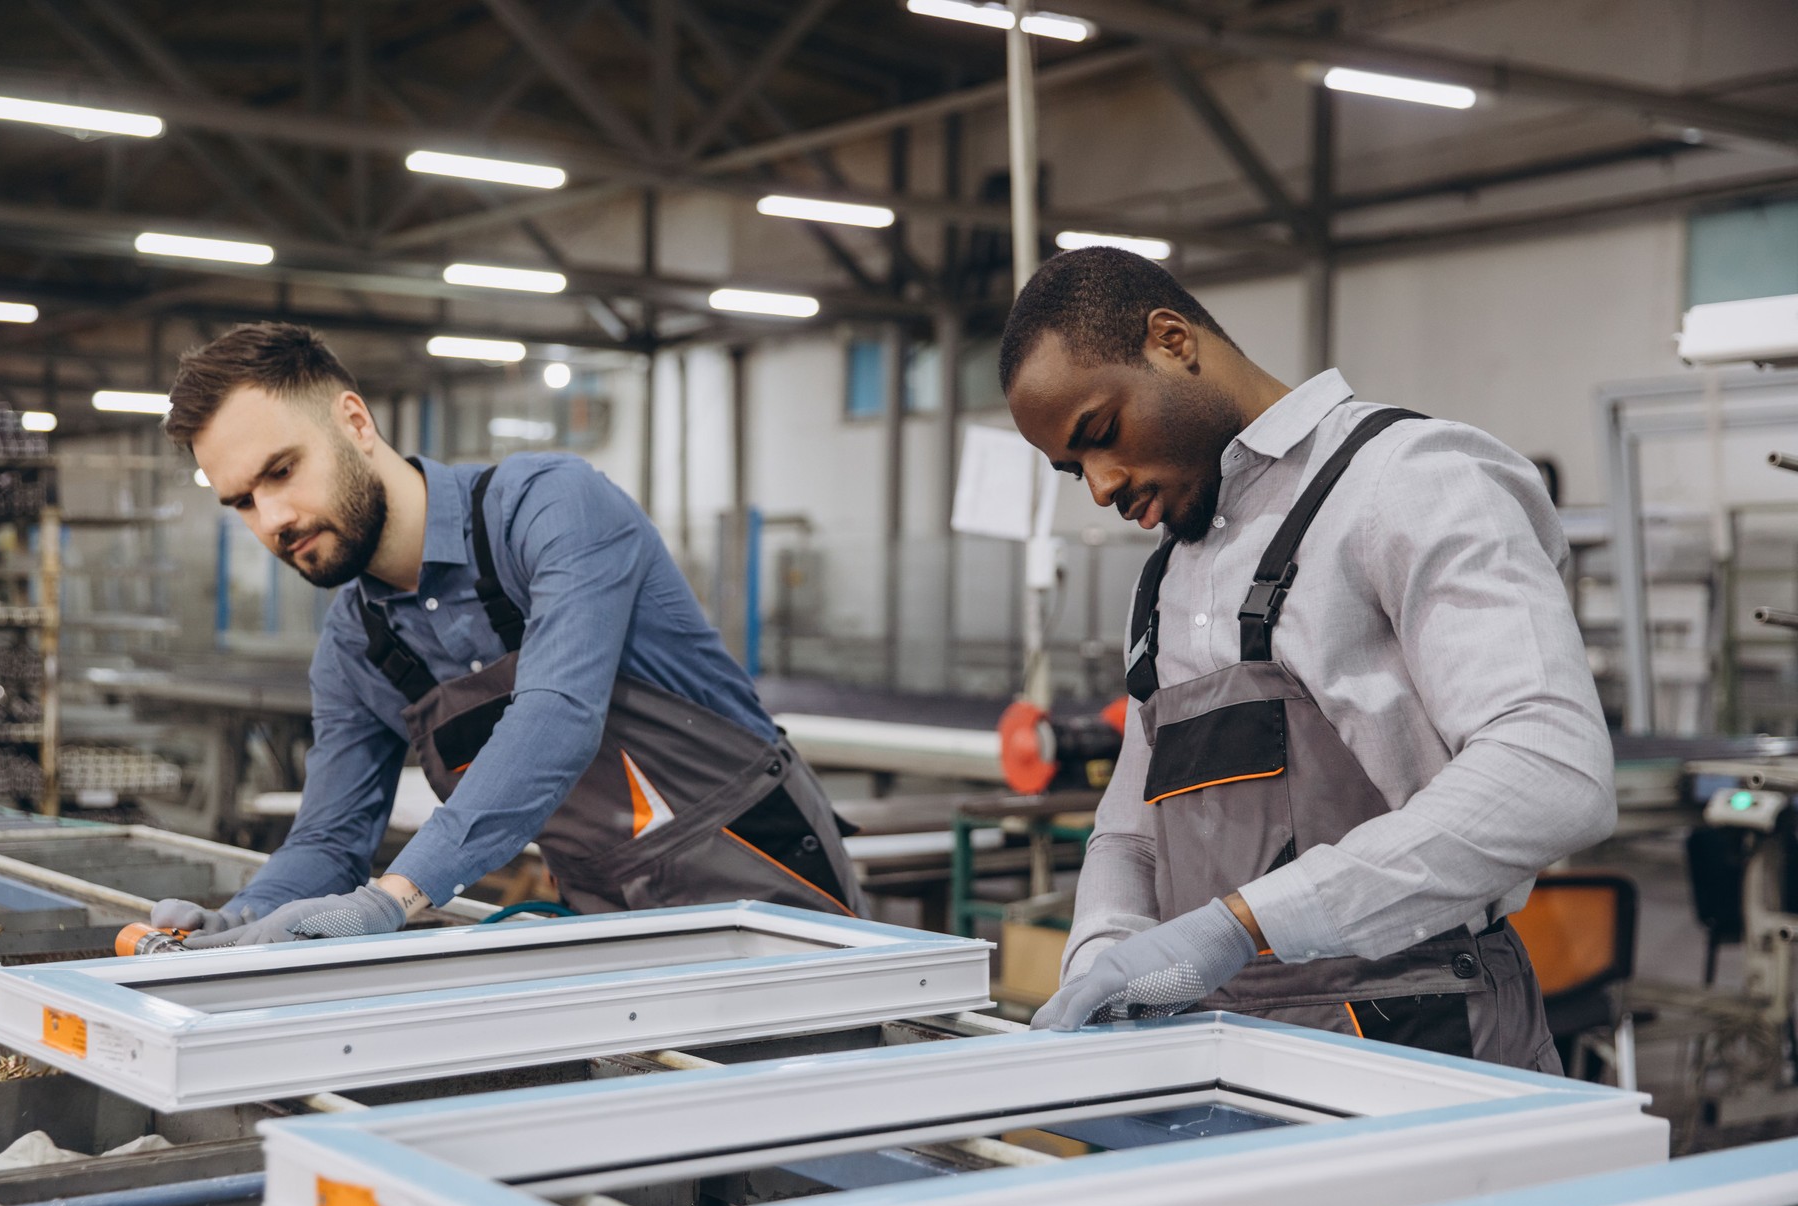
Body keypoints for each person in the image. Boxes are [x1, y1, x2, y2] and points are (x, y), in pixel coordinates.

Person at [1000, 248, 1614, 1070]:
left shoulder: (1405, 483)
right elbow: (1131, 834)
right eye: (1074, 470)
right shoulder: (1167, 583)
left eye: (1100, 434)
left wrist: (1239, 926)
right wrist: (1101, 962)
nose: (1102, 487)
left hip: (1419, 1047)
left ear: (1172, 340)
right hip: (1220, 1059)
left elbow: (1552, 773)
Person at [150, 323, 861, 947]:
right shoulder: (355, 647)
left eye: (281, 470)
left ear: (355, 424)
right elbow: (332, 839)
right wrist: (246, 916)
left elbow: (557, 715)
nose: (272, 519)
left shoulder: (552, 508)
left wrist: (394, 897)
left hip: (764, 877)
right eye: (242, 501)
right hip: (610, 919)